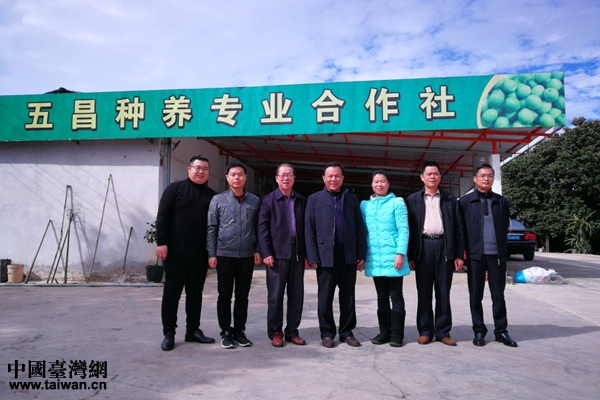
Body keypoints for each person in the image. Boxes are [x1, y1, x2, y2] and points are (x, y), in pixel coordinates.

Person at [157, 154, 216, 351]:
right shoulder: (174, 189)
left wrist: (212, 252)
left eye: (205, 168)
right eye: (197, 167)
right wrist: (162, 243)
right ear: (189, 169)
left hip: (199, 254)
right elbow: (162, 216)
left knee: (195, 294)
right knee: (172, 294)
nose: (201, 171)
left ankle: (192, 330)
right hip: (175, 252)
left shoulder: (211, 195)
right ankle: (169, 333)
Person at [305, 162, 366, 348]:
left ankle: (346, 332)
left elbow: (359, 227)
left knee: (348, 296)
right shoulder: (314, 199)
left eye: (337, 176)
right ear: (323, 178)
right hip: (325, 257)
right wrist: (312, 256)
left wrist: (361, 253)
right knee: (325, 297)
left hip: (348, 256)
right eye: (330, 176)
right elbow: (309, 229)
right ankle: (327, 333)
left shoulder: (351, 198)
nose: (333, 179)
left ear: (343, 178)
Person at [406, 161, 464, 346]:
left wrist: (459, 254)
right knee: (424, 293)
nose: (432, 176)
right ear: (422, 177)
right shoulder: (413, 200)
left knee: (443, 292)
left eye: (436, 173)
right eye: (429, 174)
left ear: (440, 177)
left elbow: (459, 228)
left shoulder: (450, 199)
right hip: (423, 248)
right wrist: (411, 255)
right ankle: (425, 331)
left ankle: (443, 331)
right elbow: (408, 229)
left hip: (444, 247)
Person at [459, 163, 518, 347]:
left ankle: (501, 331)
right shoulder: (465, 202)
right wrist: (460, 255)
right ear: (475, 179)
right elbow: (460, 231)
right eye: (483, 175)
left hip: (497, 257)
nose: (486, 178)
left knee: (498, 295)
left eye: (490, 175)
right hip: (475, 256)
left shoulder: (501, 202)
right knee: (475, 295)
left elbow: (504, 227)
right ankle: (479, 331)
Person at [207, 161, 262, 349]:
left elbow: (258, 228)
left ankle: (239, 331)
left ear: (245, 177)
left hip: (246, 255)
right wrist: (211, 253)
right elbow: (211, 228)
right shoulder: (218, 200)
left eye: (240, 174)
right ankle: (225, 332)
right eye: (233, 174)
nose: (236, 177)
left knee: (242, 296)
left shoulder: (254, 201)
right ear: (227, 177)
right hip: (224, 255)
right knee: (224, 295)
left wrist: (257, 250)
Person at [258, 163, 307, 347]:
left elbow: (307, 228)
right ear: (277, 178)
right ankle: (275, 332)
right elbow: (262, 228)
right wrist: (266, 252)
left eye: (289, 175)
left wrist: (308, 254)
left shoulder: (301, 200)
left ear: (294, 178)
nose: (286, 178)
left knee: (296, 295)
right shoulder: (268, 200)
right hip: (277, 254)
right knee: (275, 296)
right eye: (282, 175)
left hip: (297, 254)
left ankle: (292, 331)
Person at [360, 170, 410, 347]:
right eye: (376, 181)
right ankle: (384, 332)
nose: (379, 184)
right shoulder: (365, 206)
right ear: (371, 184)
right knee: (381, 296)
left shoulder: (397, 203)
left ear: (389, 184)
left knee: (396, 295)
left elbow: (403, 229)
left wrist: (400, 253)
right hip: (375, 257)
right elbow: (362, 233)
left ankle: (397, 334)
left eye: (382, 181)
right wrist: (362, 256)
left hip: (393, 257)